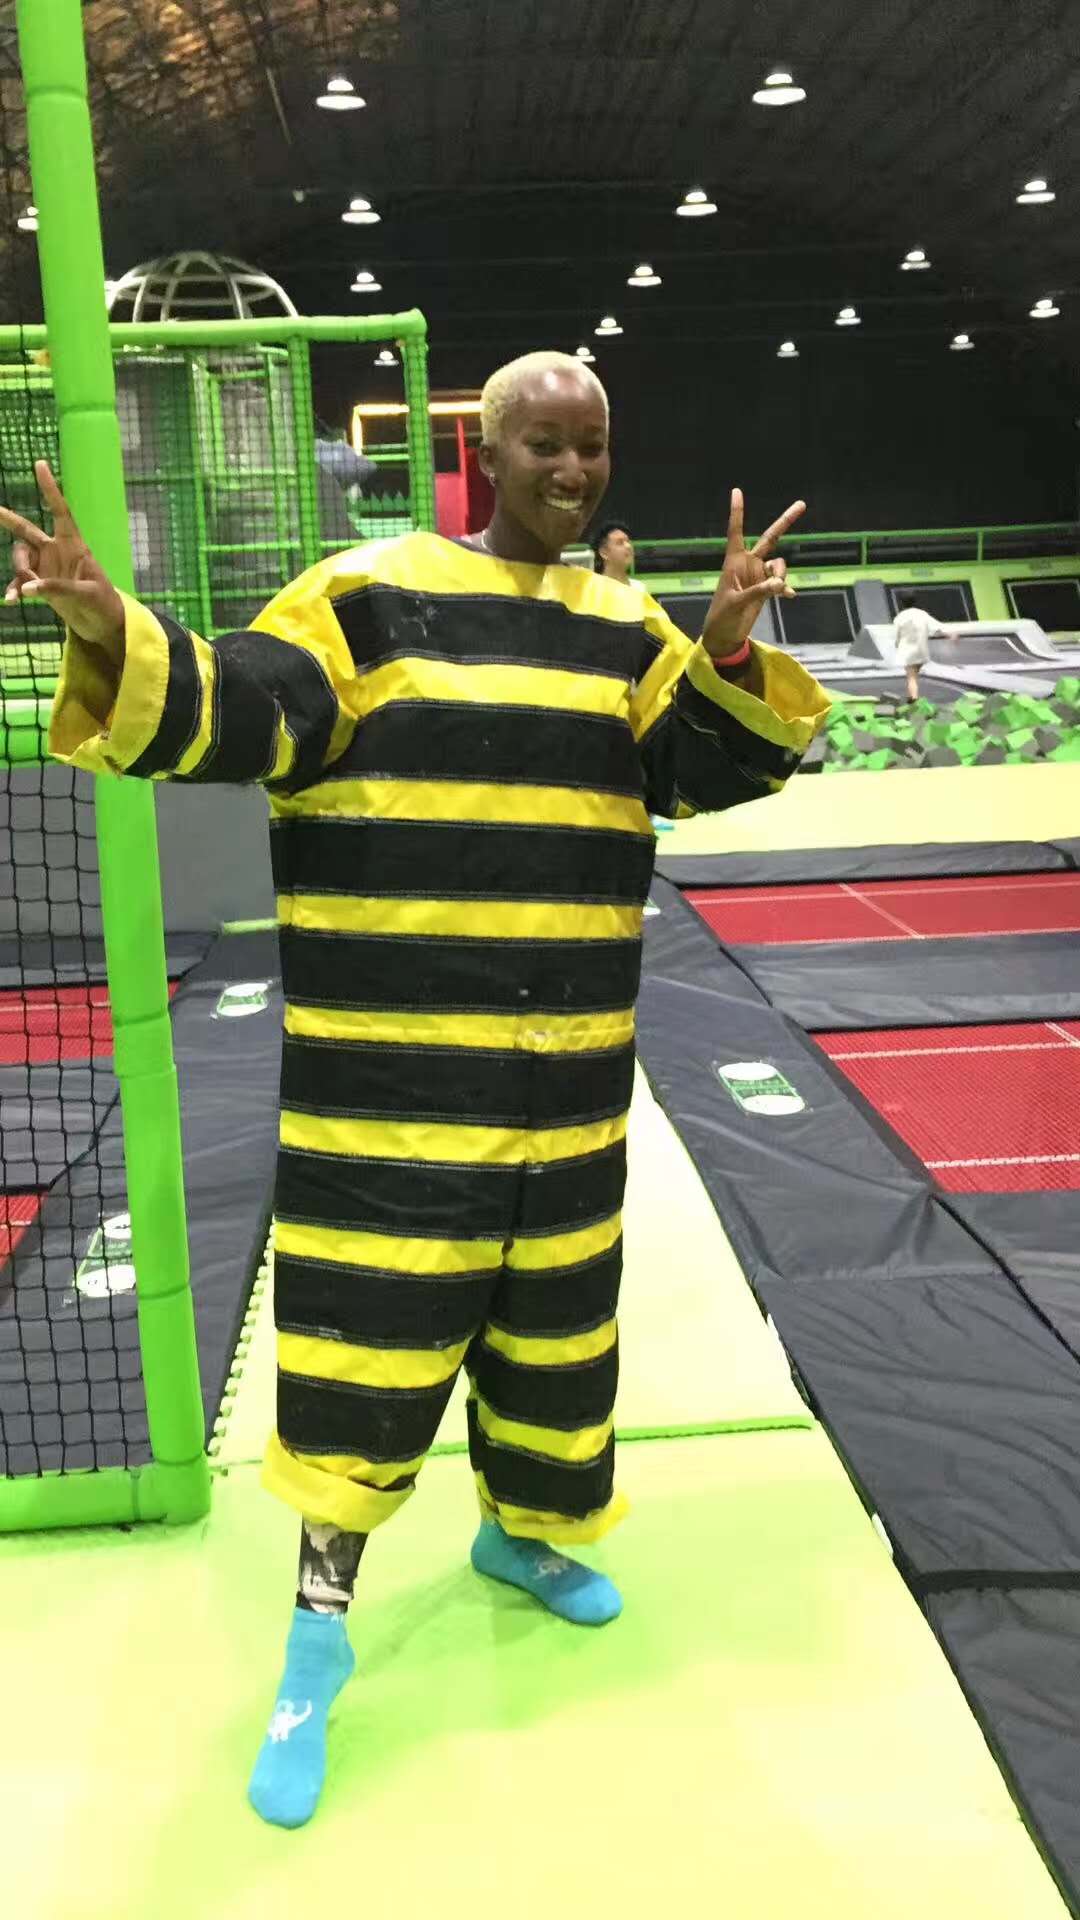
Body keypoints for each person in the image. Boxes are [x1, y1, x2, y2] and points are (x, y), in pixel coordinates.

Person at [1, 348, 828, 1832]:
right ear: (482, 452)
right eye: (545, 444)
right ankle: (317, 1642)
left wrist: (721, 648)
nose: (573, 471)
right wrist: (111, 624)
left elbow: (703, 771)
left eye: (593, 444)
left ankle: (527, 1530)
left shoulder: (624, 630)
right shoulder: (366, 599)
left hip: (569, 1090)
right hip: (390, 1100)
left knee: (557, 1342)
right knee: (365, 1362)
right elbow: (243, 708)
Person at [893, 597, 947, 702]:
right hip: (921, 651)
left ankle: (914, 698)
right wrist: (950, 634)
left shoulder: (900, 617)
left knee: (911, 677)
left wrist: (897, 645)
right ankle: (913, 696)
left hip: (907, 651)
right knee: (915, 675)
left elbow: (897, 636)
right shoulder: (922, 614)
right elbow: (937, 627)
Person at [592, 517, 639, 587]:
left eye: (628, 541)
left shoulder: (639, 587)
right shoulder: (593, 588)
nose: (628, 546)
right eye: (620, 542)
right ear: (603, 553)